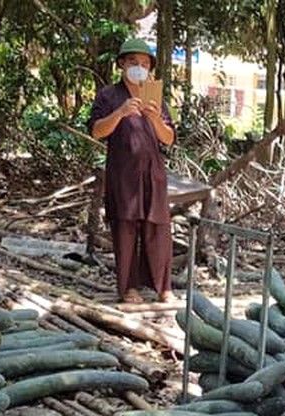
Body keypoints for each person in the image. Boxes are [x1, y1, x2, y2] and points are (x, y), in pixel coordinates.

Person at [89, 37, 177, 304]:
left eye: (144, 63)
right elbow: (96, 131)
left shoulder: (155, 97)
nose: (139, 67)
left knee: (158, 230)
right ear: (121, 64)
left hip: (153, 173)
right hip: (122, 174)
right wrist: (120, 113)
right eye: (133, 62)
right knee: (125, 230)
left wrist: (153, 118)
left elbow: (169, 138)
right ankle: (128, 288)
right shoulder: (108, 95)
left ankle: (164, 288)